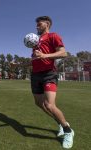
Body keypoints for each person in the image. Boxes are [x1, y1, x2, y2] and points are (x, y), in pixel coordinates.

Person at [31, 16, 74, 149]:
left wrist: (45, 55)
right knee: (39, 103)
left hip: (49, 74)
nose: (37, 26)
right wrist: (17, 65)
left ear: (47, 24)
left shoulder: (53, 36)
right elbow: (35, 59)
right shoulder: (36, 42)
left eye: (39, 24)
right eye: (36, 24)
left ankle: (68, 131)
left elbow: (63, 53)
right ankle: (61, 123)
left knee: (50, 105)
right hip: (35, 75)